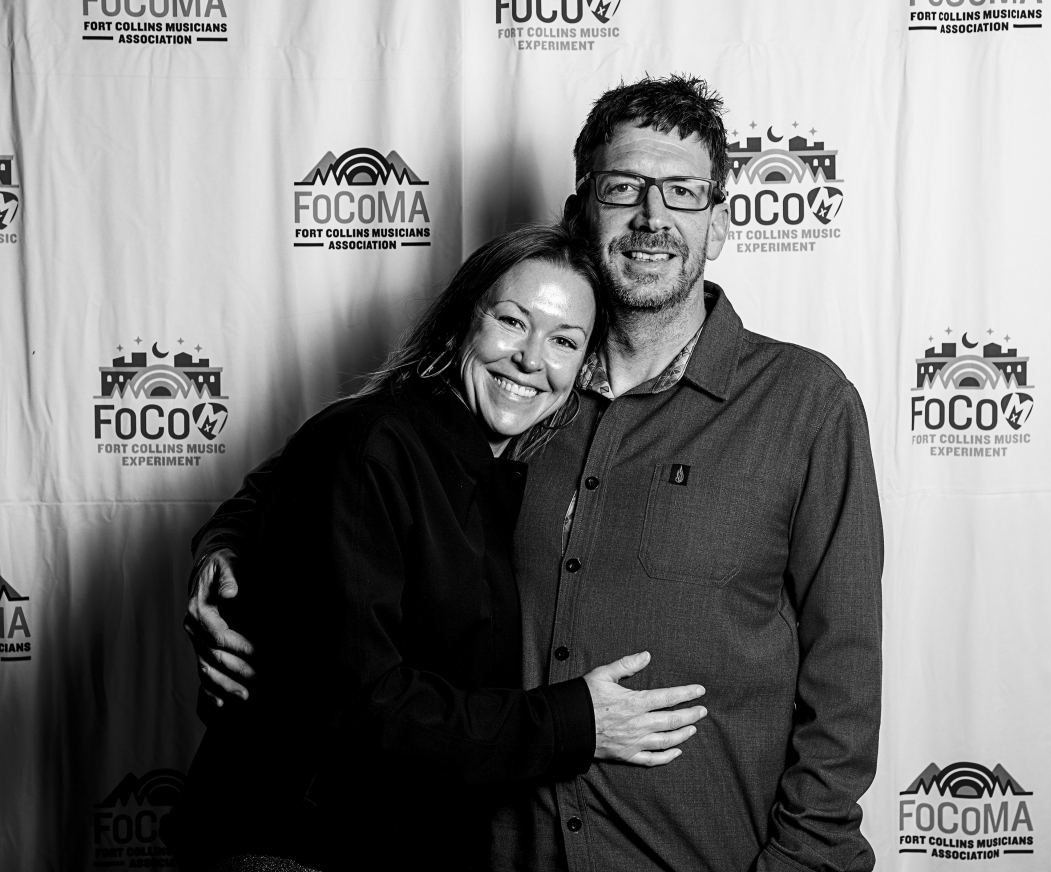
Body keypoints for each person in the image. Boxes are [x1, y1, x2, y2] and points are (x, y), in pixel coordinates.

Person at [186, 75, 884, 872]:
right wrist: (222, 561)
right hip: (493, 851)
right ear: (581, 211)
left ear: (718, 223)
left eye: (684, 193)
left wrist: (805, 861)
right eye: (624, 187)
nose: (652, 217)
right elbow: (300, 484)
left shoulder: (805, 404)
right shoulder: (519, 396)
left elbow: (845, 672)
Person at [166, 222, 710, 871]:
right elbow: (358, 704)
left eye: (564, 340)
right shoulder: (372, 441)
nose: (531, 358)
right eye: (512, 322)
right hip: (298, 846)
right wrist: (575, 722)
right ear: (460, 324)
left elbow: (267, 492)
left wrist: (223, 543)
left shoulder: (502, 460)